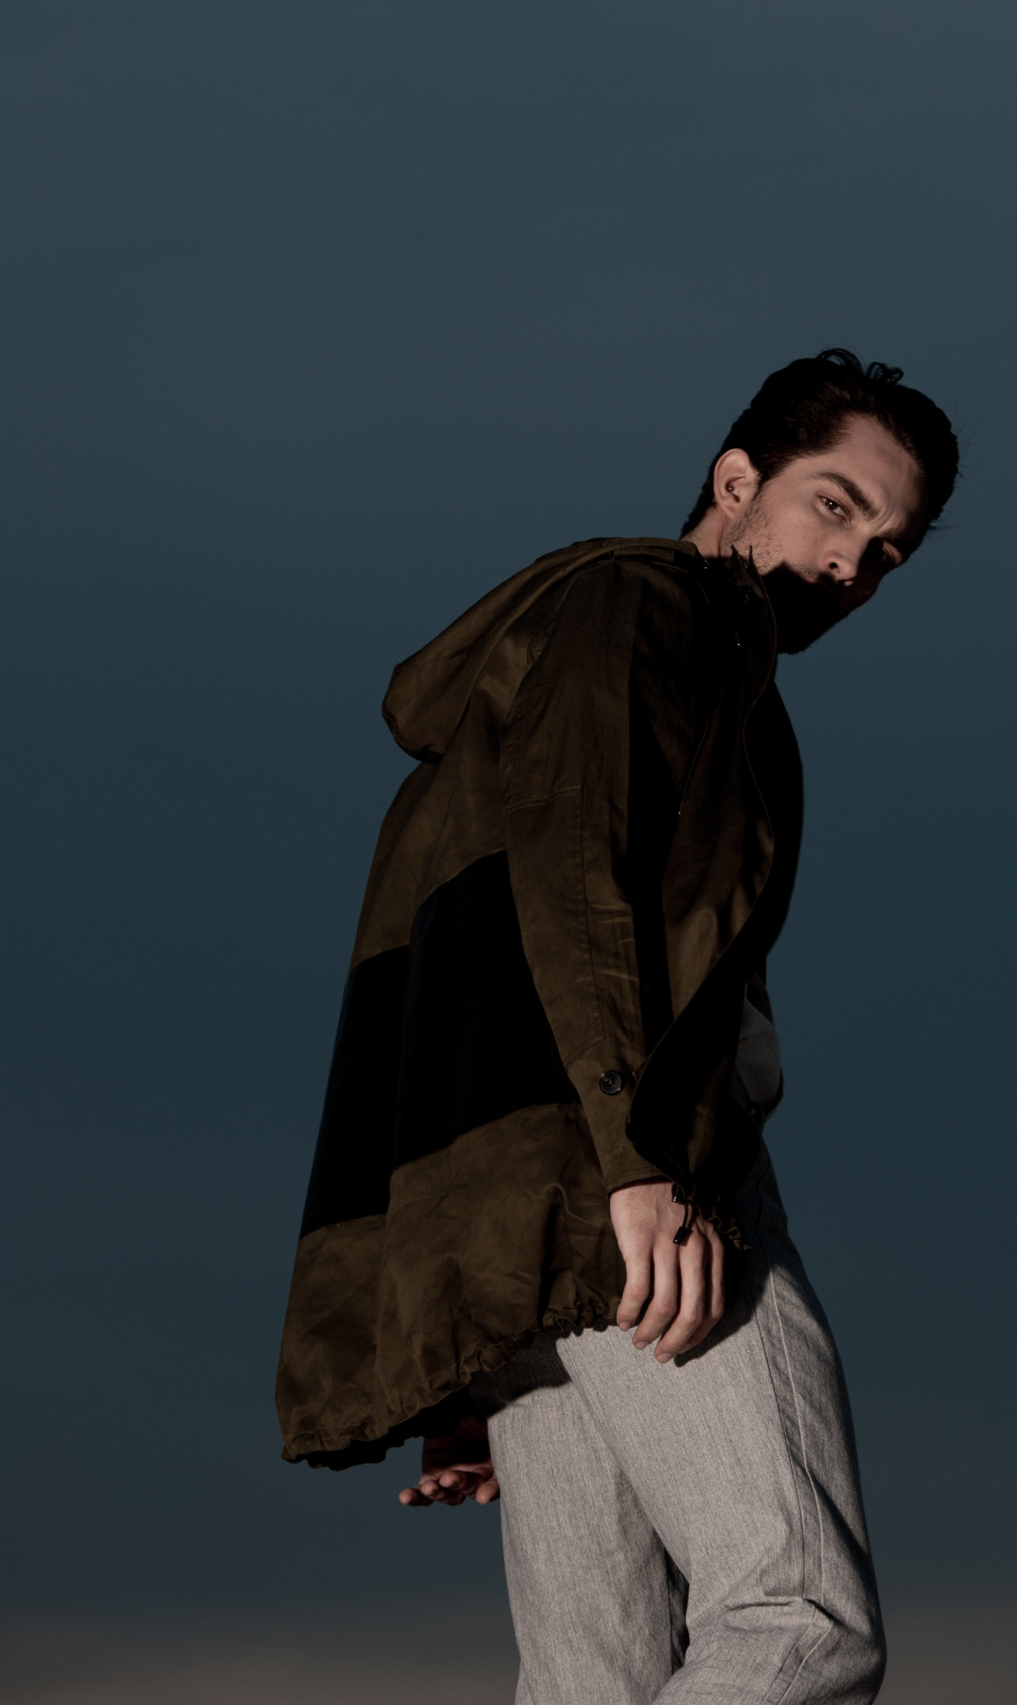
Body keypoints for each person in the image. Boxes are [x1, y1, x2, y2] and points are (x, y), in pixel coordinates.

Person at [276, 348, 960, 1704]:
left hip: (530, 1216)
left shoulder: (621, 664)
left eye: (888, 550)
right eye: (834, 506)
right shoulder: (642, 609)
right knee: (799, 1617)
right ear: (736, 478)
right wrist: (641, 1165)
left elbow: (462, 973)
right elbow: (575, 879)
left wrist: (483, 1341)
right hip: (631, 1168)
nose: (851, 566)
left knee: (595, 1678)